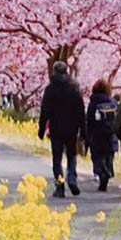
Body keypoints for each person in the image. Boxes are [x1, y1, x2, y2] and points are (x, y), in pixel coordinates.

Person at [39, 61, 85, 198]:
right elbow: (81, 112)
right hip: (72, 129)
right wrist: (83, 130)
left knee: (57, 158)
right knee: (71, 156)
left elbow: (44, 111)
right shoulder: (74, 88)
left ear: (54, 72)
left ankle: (60, 187)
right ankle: (71, 177)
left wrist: (41, 129)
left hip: (56, 129)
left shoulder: (50, 89)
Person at [86, 79, 117, 191]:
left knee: (97, 157)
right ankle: (107, 173)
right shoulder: (112, 102)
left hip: (96, 134)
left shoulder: (93, 103)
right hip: (110, 134)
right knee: (108, 156)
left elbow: (89, 119)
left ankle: (102, 173)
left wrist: (87, 136)